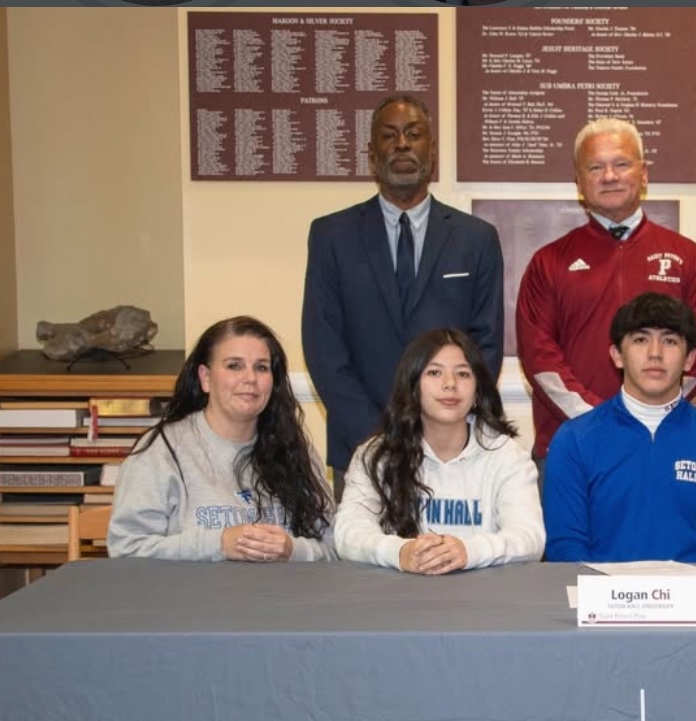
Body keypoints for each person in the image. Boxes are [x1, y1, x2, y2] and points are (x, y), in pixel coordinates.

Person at [302, 93, 505, 496]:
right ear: (371, 156)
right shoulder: (331, 236)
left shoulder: (476, 239)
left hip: (450, 450)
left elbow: (486, 346)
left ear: (432, 152)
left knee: (448, 556)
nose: (402, 144)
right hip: (360, 449)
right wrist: (376, 438)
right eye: (389, 135)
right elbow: (324, 348)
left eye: (414, 134)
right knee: (361, 559)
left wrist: (439, 433)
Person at [516, 118, 696, 468]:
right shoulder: (547, 262)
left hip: (661, 444)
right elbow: (540, 358)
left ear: (643, 174)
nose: (609, 176)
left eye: (621, 164)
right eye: (595, 167)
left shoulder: (688, 257)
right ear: (580, 182)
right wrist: (600, 421)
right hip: (572, 446)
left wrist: (649, 415)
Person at [543, 293, 696, 564]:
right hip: (607, 603)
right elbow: (566, 548)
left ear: (690, 359)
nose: (655, 353)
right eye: (640, 340)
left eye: (670, 341)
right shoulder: (574, 441)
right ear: (617, 355)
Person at [108, 316, 334, 562]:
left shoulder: (295, 449)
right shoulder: (161, 450)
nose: (250, 378)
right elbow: (126, 549)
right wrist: (219, 544)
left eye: (261, 367)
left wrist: (293, 550)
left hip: (281, 597)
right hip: (191, 598)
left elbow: (334, 547)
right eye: (234, 366)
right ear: (205, 378)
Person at [334, 328, 543, 573]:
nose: (450, 384)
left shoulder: (507, 456)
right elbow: (348, 533)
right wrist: (400, 552)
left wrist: (469, 551)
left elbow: (530, 538)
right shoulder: (376, 455)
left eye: (463, 374)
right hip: (396, 601)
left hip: (483, 603)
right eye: (434, 372)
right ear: (413, 385)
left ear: (477, 389)